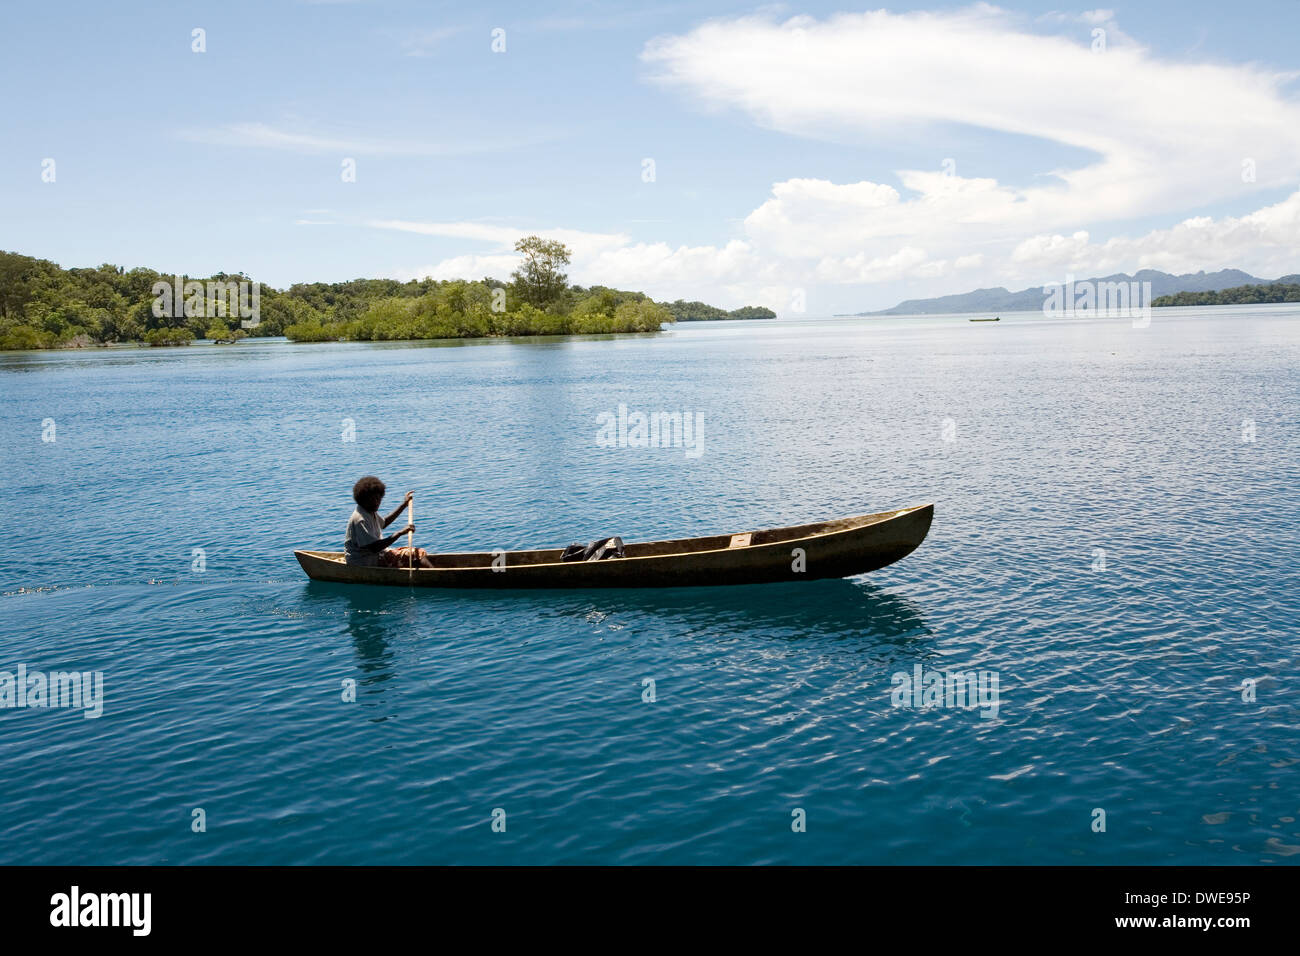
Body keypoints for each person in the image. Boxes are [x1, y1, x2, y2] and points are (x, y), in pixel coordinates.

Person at [344, 476, 434, 568]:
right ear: (363, 500)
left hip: (375, 555)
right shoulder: (360, 519)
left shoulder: (369, 510)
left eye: (378, 499)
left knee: (416, 554)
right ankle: (436, 575)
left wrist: (403, 505)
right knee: (417, 554)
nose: (377, 503)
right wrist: (399, 533)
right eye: (373, 500)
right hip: (364, 561)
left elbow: (384, 523)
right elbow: (374, 548)